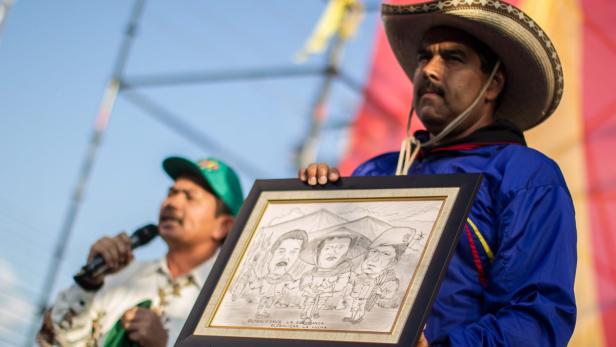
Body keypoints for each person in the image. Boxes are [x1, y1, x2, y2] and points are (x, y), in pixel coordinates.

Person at [300, 1, 576, 346]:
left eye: (453, 58)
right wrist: (311, 203)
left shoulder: (524, 175)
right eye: (423, 57)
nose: (429, 70)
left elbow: (537, 317)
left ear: (493, 85)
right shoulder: (376, 170)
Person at [41, 156, 243, 347]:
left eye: (190, 197)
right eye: (171, 193)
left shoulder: (231, 306)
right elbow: (51, 341)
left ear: (223, 226)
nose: (172, 203)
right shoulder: (118, 277)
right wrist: (89, 283)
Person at [298, 228, 369, 324]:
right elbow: (305, 279)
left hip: (326, 290)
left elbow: (342, 284)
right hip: (312, 290)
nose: (333, 252)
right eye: (328, 248)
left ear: (347, 252)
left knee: (321, 301)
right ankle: (306, 315)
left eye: (340, 248)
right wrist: (307, 288)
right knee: (309, 301)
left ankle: (316, 311)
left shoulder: (343, 270)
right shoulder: (314, 271)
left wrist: (330, 287)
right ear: (319, 252)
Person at [342, 227, 413, 324]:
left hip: (364, 298)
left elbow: (388, 294)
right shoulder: (358, 271)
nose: (373, 260)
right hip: (357, 295)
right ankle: (352, 317)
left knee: (360, 306)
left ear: (393, 262)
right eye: (374, 251)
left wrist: (380, 292)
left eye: (386, 254)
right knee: (354, 305)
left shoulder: (389, 279)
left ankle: (358, 318)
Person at [252, 229, 308, 319]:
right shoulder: (266, 276)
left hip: (273, 293)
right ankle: (259, 312)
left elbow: (291, 285)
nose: (285, 257)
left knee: (269, 301)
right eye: (281, 251)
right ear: (273, 253)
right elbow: (258, 282)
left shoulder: (287, 278)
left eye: (293, 252)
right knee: (263, 300)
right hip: (265, 291)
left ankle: (265, 312)